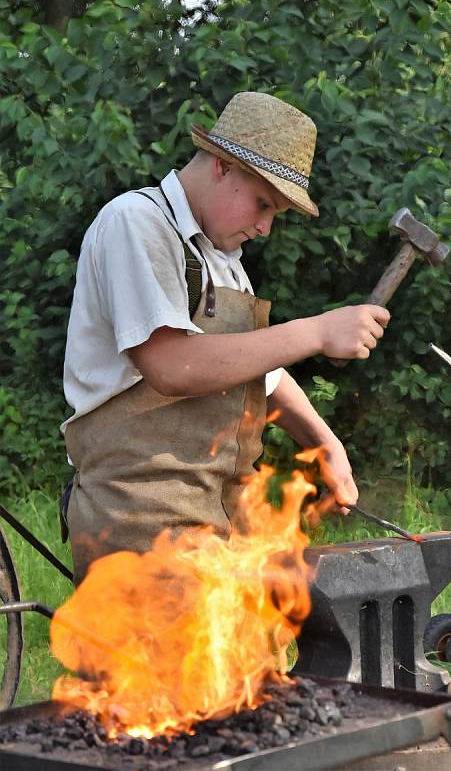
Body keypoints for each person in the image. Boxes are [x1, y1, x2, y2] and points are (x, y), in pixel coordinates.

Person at [62, 92, 390, 584]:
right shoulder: (137, 223)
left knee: (261, 650)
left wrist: (325, 444)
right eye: (263, 205)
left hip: (221, 517)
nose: (264, 228)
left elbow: (261, 375)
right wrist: (317, 330)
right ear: (222, 166)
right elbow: (171, 365)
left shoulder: (226, 265)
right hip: (140, 520)